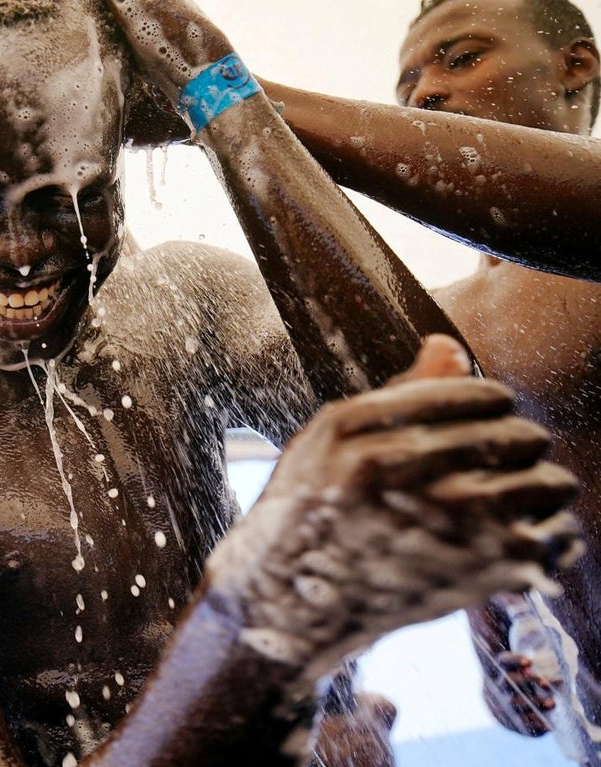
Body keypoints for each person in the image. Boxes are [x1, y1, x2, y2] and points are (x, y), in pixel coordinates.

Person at [0, 1, 580, 764]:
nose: (23, 251)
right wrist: (253, 622)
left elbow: (434, 414)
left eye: (74, 196)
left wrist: (223, 97)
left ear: (118, 147)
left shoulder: (182, 304)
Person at [190, 0, 601, 754]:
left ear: (578, 66)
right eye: (408, 83)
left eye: (461, 57)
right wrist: (497, 647)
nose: (425, 94)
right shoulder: (444, 316)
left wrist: (221, 93)